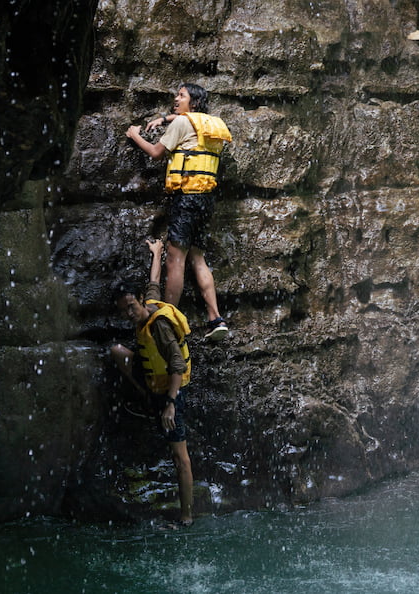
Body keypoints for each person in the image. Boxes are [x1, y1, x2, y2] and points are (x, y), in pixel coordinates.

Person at [125, 83, 233, 341]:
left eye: (181, 96)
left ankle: (168, 321)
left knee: (175, 260)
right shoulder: (214, 124)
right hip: (206, 199)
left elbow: (155, 153)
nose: (176, 98)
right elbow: (188, 122)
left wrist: (134, 134)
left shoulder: (182, 125)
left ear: (193, 103)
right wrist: (164, 118)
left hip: (185, 200)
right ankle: (215, 318)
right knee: (198, 258)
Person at [110, 238, 194, 527]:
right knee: (117, 352)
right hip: (154, 385)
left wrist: (170, 403)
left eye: (131, 307)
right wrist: (156, 252)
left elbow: (177, 364)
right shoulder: (146, 307)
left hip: (172, 390)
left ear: (137, 302)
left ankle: (187, 517)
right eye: (124, 311)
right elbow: (154, 283)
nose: (130, 313)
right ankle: (146, 396)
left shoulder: (157, 326)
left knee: (179, 455)